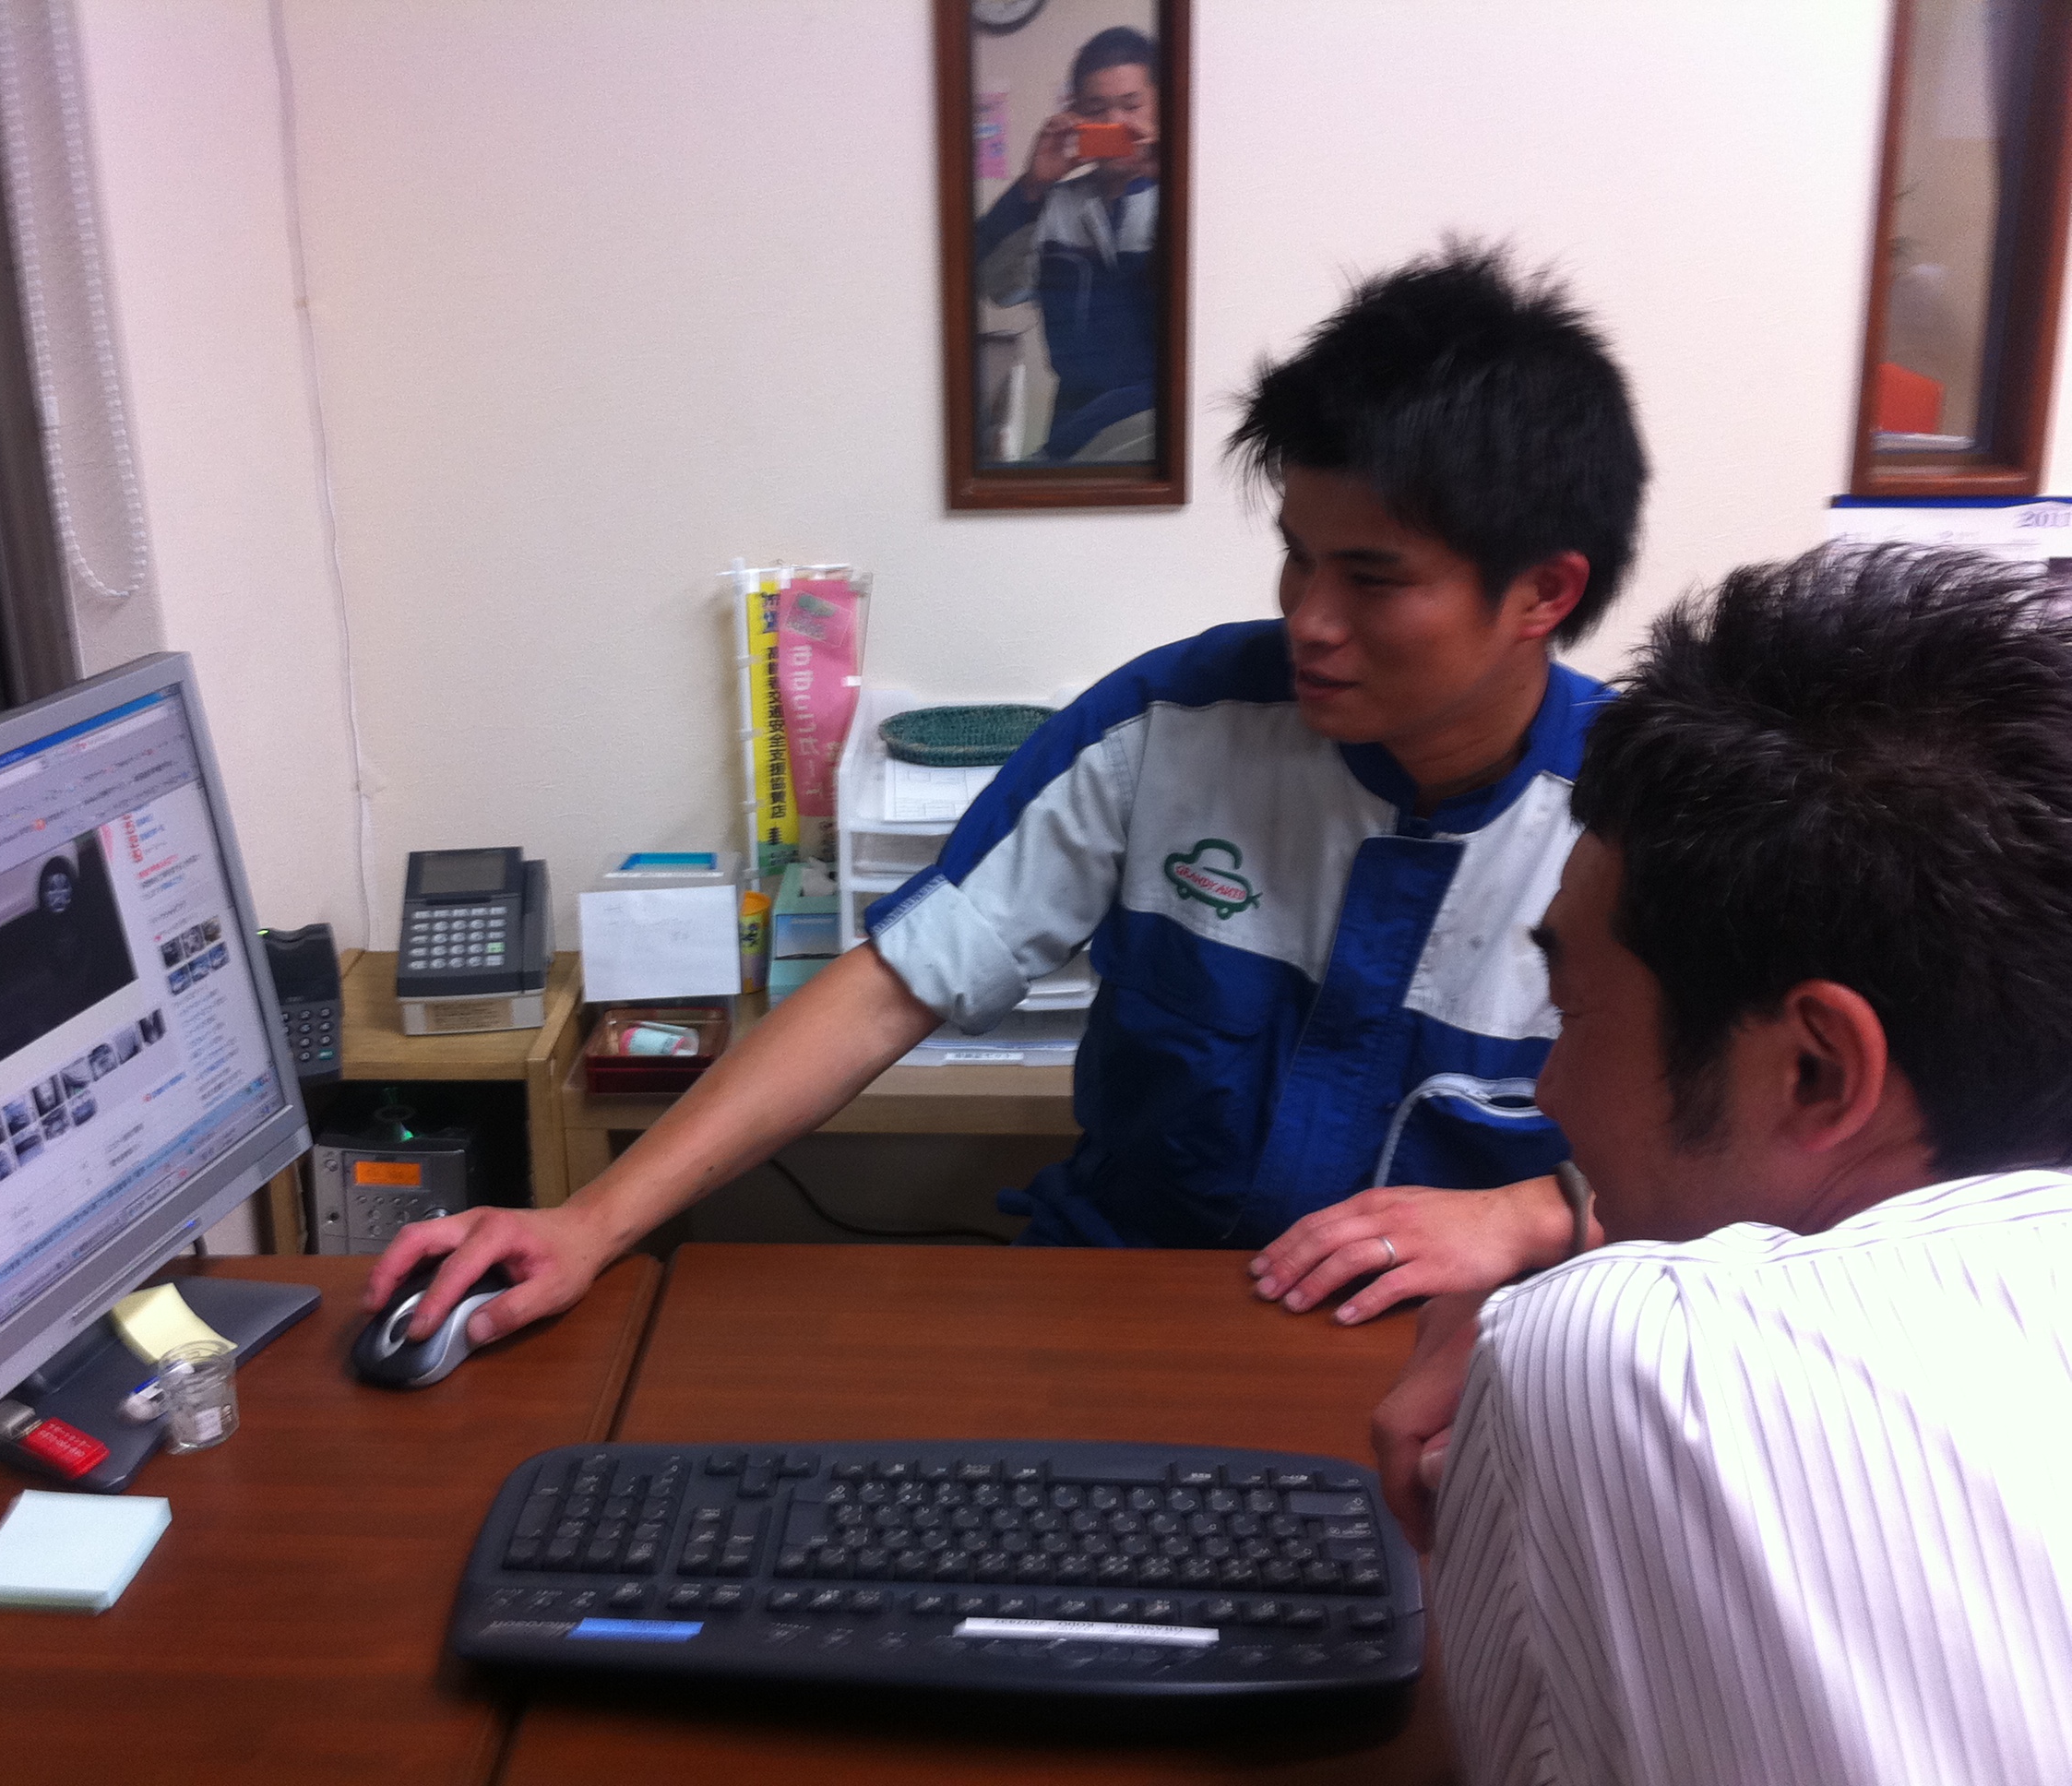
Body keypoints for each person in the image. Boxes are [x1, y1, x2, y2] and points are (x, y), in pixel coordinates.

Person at [364, 243, 1647, 1353]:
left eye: (1372, 579)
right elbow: (897, 982)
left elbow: (1754, 1166)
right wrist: (591, 1222)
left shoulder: (1650, 817)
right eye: (1295, 559)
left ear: (1543, 592)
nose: (1309, 619)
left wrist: (1536, 1213)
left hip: (1454, 1355)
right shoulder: (1172, 723)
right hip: (1123, 1308)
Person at [1387, 545, 2072, 1784]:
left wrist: (1537, 1384)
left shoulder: (1635, 1357)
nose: (1550, 1091)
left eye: (1576, 1012)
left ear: (1814, 1070)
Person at [976, 27, 1163, 462]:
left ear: (1161, 106)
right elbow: (994, 285)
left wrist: (1168, 178)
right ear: (1077, 114)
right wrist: (1032, 186)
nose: (1115, 122)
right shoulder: (1053, 205)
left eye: (1131, 105)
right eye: (1097, 109)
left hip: (1162, 426)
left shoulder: (1189, 199)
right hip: (1072, 430)